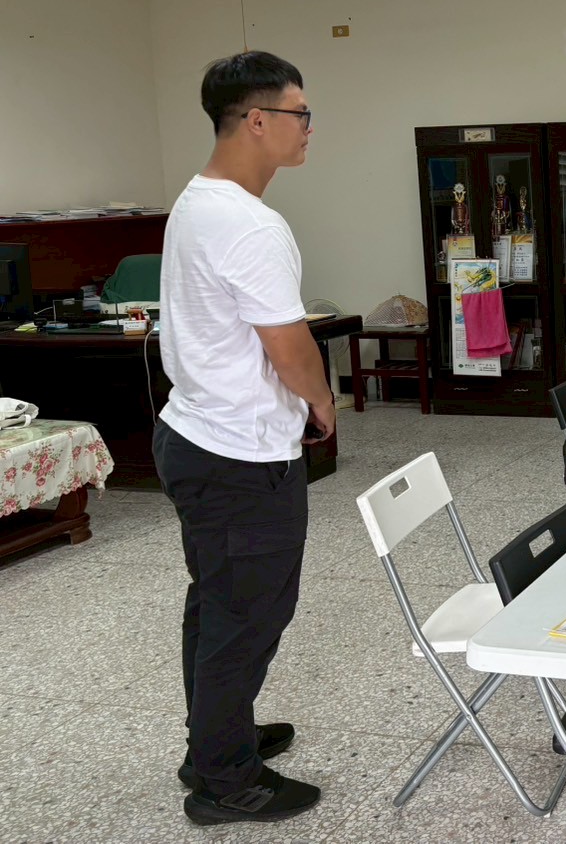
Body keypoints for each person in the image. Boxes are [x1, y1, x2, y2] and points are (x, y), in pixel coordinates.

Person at [153, 52, 330, 826]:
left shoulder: (197, 201)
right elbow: (287, 346)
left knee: (217, 604)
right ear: (258, 120)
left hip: (194, 434)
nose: (309, 128)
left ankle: (214, 740)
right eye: (300, 113)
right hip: (239, 454)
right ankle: (224, 782)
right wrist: (321, 400)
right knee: (246, 617)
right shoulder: (252, 224)